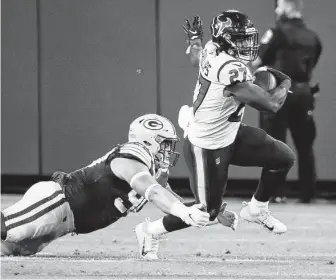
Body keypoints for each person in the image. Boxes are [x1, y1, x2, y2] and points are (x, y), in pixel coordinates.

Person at [134, 10, 296, 260]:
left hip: (230, 133)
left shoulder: (213, 48)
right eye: (239, 39)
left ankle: (257, 209)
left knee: (283, 158)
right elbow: (270, 105)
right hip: (206, 146)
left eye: (246, 38)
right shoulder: (228, 68)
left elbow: (196, 57)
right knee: (205, 214)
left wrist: (194, 42)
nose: (246, 44)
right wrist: (285, 83)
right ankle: (149, 231)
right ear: (225, 39)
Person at [1, 114, 210, 256]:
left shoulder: (153, 172)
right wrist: (183, 210)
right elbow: (154, 192)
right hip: (57, 203)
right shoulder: (133, 155)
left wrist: (211, 213)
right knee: (7, 229)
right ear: (148, 140)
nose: (167, 151)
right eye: (164, 143)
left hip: (66, 225)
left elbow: (176, 205)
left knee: (9, 249)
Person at [250, 0, 322, 203]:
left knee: (275, 144)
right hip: (303, 94)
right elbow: (313, 62)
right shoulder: (313, 37)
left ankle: (276, 192)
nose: (276, 9)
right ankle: (308, 193)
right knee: (305, 145)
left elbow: (257, 60)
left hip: (278, 95)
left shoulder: (276, 33)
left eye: (279, 5)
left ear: (288, 7)